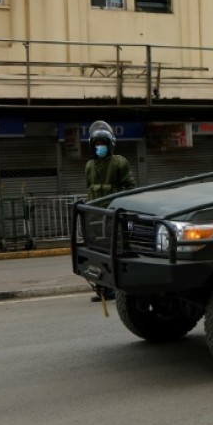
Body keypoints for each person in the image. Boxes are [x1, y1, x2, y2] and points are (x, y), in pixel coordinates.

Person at [85, 121, 136, 301]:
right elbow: (90, 188)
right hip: (94, 217)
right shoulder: (90, 165)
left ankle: (114, 287)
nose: (100, 147)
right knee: (96, 252)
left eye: (103, 144)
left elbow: (130, 187)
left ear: (110, 145)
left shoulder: (119, 162)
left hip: (112, 216)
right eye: (97, 144)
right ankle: (101, 288)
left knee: (112, 252)